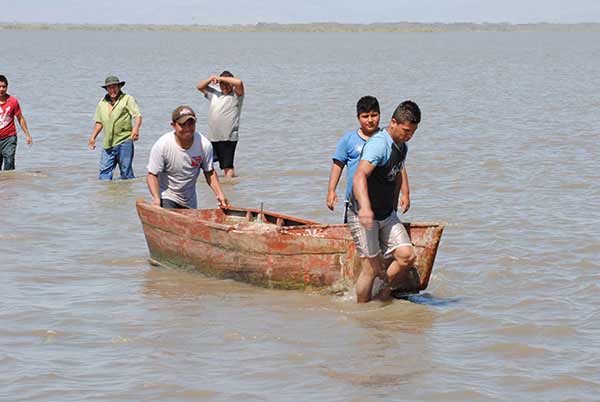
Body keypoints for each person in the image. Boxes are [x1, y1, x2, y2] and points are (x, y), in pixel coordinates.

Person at [348, 100, 421, 303]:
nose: (409, 136)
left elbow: (397, 173)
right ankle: (362, 309)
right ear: (393, 122)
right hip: (361, 212)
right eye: (406, 130)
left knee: (407, 256)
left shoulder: (402, 146)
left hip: (386, 213)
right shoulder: (379, 145)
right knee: (371, 268)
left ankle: (382, 294)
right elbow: (359, 176)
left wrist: (402, 196)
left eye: (413, 132)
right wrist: (364, 208)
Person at [326, 96, 410, 223]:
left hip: (382, 200)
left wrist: (405, 194)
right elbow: (338, 165)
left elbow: (399, 167)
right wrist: (331, 191)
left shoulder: (387, 139)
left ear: (380, 115)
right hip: (355, 201)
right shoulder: (348, 140)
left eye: (374, 115)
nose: (370, 120)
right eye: (365, 116)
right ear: (358, 117)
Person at [146, 105, 229, 209]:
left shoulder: (204, 145)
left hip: (189, 200)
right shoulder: (162, 145)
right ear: (173, 125)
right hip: (167, 196)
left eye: (191, 124)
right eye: (182, 125)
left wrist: (220, 194)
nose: (187, 129)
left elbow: (209, 172)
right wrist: (156, 199)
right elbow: (152, 175)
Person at [88, 76, 142, 180]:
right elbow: (99, 122)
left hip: (124, 140)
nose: (112, 90)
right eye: (109, 88)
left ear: (119, 87)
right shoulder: (102, 103)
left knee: (126, 172)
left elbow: (137, 115)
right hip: (108, 144)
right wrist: (93, 138)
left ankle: (127, 195)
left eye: (115, 87)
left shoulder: (127, 99)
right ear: (106, 89)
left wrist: (136, 128)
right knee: (104, 174)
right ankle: (107, 196)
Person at [196, 71, 244, 179]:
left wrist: (221, 78)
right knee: (205, 164)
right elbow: (199, 87)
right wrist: (211, 78)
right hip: (212, 137)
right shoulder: (214, 94)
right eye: (222, 84)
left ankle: (229, 187)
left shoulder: (237, 95)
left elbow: (239, 82)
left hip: (228, 138)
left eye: (227, 84)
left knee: (227, 166)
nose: (225, 87)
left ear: (231, 84)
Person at [0, 74, 33, 170]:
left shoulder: (13, 101)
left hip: (9, 138)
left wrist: (27, 135)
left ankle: (10, 183)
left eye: (4, 87)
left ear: (7, 87)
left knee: (9, 162)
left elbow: (20, 118)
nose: (1, 89)